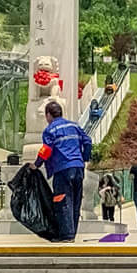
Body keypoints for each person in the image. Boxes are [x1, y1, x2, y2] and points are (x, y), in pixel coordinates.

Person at [36, 100, 92, 241]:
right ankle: (72, 233)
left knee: (62, 200)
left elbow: (46, 150)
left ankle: (66, 235)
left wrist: (36, 164)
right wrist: (84, 157)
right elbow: (88, 141)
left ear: (49, 115)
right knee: (75, 200)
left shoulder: (50, 130)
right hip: (78, 167)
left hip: (63, 168)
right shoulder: (74, 126)